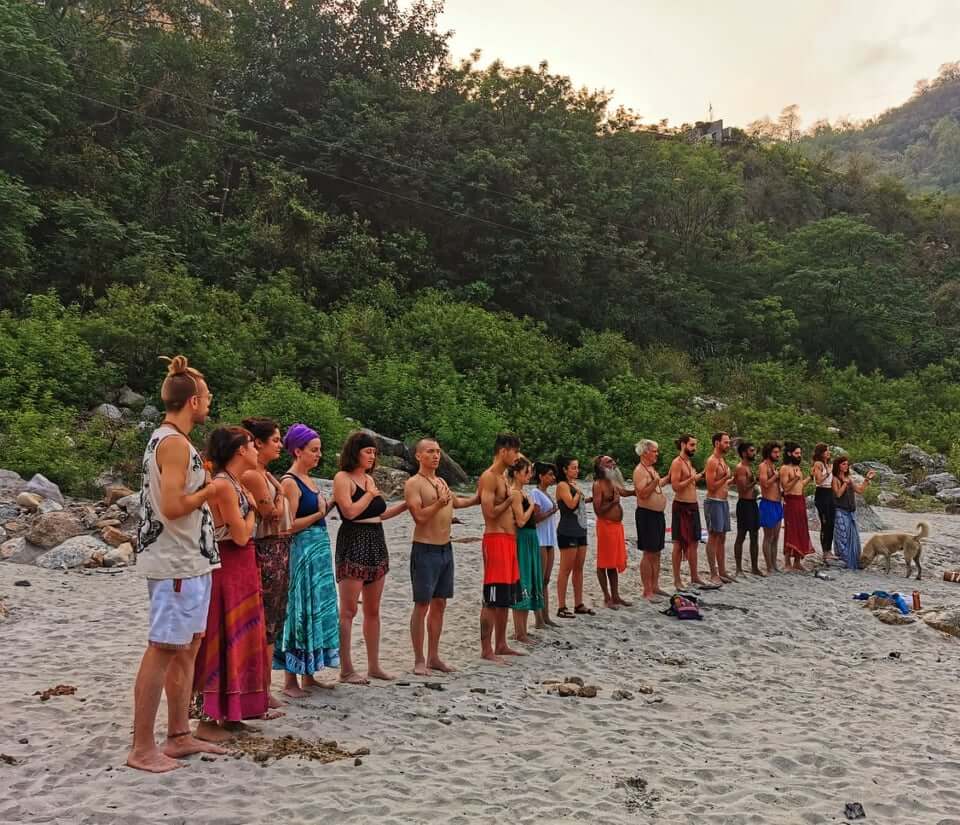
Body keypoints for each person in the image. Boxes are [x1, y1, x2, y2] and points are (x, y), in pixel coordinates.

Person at [127, 355, 225, 773]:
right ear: (192, 401)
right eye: (206, 397)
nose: (210, 403)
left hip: (192, 558)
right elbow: (171, 505)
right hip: (175, 562)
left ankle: (178, 734)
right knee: (164, 647)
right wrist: (212, 490)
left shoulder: (176, 442)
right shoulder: (171, 443)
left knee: (188, 647)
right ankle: (141, 747)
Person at [193, 426, 274, 741]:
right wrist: (254, 512)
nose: (256, 450)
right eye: (252, 445)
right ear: (240, 450)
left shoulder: (236, 483)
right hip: (229, 564)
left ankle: (233, 712)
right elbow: (240, 534)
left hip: (242, 565)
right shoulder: (225, 485)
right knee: (226, 635)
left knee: (242, 636)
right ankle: (210, 719)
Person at [333, 431, 408, 684]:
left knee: (373, 610)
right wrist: (369, 493)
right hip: (353, 541)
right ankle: (346, 669)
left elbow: (380, 514)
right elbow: (350, 511)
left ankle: (374, 665)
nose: (372, 456)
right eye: (368, 451)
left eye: (374, 452)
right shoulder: (343, 478)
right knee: (349, 609)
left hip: (376, 539)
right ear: (355, 452)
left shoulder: (369, 479)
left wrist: (405, 505)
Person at [404, 438, 480, 675]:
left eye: (437, 451)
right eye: (430, 452)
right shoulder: (414, 483)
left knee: (440, 604)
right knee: (422, 604)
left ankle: (434, 656)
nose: (436, 455)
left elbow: (457, 502)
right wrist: (438, 503)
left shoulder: (441, 481)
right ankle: (419, 658)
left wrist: (479, 497)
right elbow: (419, 516)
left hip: (446, 548)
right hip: (425, 549)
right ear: (419, 456)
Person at [277, 424, 340, 698]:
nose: (318, 455)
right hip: (302, 554)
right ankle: (290, 680)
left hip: (318, 553)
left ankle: (309, 675)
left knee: (315, 610)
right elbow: (288, 525)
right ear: (297, 450)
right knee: (299, 612)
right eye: (313, 450)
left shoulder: (310, 479)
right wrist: (318, 514)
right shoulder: (290, 482)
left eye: (319, 450)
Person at [241, 417, 293, 708]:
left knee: (274, 620)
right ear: (258, 443)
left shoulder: (266, 474)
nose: (279, 445)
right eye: (275, 440)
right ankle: (258, 688)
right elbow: (272, 513)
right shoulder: (254, 475)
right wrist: (283, 495)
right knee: (265, 620)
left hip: (279, 547)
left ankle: (264, 688)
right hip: (266, 549)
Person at [477, 433, 524, 663]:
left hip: (509, 540)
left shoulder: (504, 476)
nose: (517, 456)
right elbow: (489, 513)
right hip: (495, 539)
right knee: (492, 596)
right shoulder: (490, 477)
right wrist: (510, 500)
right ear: (503, 450)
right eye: (514, 451)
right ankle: (486, 649)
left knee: (506, 596)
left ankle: (501, 643)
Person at [592, 455, 635, 608]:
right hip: (605, 526)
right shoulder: (598, 485)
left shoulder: (613, 481)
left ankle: (616, 596)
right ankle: (607, 597)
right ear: (601, 466)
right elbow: (598, 510)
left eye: (613, 461)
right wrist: (613, 503)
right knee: (603, 562)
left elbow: (623, 492)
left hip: (617, 527)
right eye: (609, 462)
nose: (613, 463)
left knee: (613, 563)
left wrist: (636, 492)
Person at [508, 456, 543, 642]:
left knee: (528, 580)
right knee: (523, 580)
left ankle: (522, 630)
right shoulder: (515, 493)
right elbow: (521, 521)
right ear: (516, 473)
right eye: (526, 472)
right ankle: (519, 632)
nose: (529, 475)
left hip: (530, 538)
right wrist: (531, 508)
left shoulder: (522, 493)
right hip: (523, 539)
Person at [669, 435, 709, 591]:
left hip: (693, 505)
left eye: (695, 445)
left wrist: (699, 475)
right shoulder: (677, 463)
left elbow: (690, 482)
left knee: (694, 541)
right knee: (678, 543)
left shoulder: (688, 462)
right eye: (692, 445)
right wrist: (692, 478)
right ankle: (677, 580)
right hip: (681, 506)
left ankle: (694, 576)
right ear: (683, 444)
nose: (694, 448)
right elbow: (675, 486)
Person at [555, 455, 594, 617]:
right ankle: (562, 606)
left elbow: (578, 504)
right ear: (564, 469)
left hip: (580, 529)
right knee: (565, 569)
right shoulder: (563, 485)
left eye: (577, 467)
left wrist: (590, 499)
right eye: (573, 467)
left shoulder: (573, 485)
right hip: (567, 530)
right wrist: (578, 493)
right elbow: (570, 504)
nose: (577, 470)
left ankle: (579, 603)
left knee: (579, 569)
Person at [633, 439, 669, 600]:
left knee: (657, 551)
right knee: (648, 552)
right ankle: (647, 589)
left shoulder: (651, 469)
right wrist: (655, 482)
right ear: (645, 452)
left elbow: (656, 485)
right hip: (646, 514)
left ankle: (655, 586)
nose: (657, 454)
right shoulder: (640, 470)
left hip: (657, 514)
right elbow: (642, 493)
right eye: (655, 451)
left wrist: (666, 479)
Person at [832, 456, 876, 570]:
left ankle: (853, 560)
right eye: (843, 464)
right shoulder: (835, 479)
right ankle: (844, 559)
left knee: (853, 537)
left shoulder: (849, 478)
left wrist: (867, 479)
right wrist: (845, 484)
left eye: (847, 464)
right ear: (838, 466)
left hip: (850, 512)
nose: (846, 466)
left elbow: (860, 490)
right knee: (843, 537)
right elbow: (837, 494)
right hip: (840, 511)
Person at [530, 462, 559, 629]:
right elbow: (535, 518)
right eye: (549, 474)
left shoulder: (546, 493)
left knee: (546, 580)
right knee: (540, 579)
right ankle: (539, 619)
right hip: (540, 538)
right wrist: (551, 512)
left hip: (549, 538)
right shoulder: (535, 493)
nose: (552, 478)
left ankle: (546, 616)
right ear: (541, 476)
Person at [704, 432, 734, 584]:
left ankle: (722, 570)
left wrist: (729, 481)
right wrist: (725, 478)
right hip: (714, 501)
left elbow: (722, 483)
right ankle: (713, 572)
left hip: (723, 501)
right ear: (717, 443)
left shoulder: (722, 460)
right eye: (726, 442)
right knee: (713, 536)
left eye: (728, 442)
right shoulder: (712, 461)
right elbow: (710, 486)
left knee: (722, 537)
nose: (728, 445)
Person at [780, 442, 814, 571]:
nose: (799, 456)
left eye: (800, 453)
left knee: (801, 529)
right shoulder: (784, 468)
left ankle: (797, 561)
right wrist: (795, 479)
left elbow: (800, 485)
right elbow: (786, 488)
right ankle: (787, 562)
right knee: (791, 530)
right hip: (791, 501)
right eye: (796, 453)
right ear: (789, 454)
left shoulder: (797, 468)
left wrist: (810, 477)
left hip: (800, 500)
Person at [732, 442, 764, 576]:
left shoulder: (748, 467)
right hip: (744, 504)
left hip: (752, 503)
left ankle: (754, 567)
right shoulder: (741, 468)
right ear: (744, 453)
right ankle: (738, 568)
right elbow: (742, 488)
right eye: (751, 451)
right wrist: (755, 481)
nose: (754, 453)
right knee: (741, 535)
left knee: (755, 535)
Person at [758, 442, 783, 573]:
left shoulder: (774, 466)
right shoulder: (763, 466)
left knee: (776, 537)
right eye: (775, 452)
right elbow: (764, 484)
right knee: (768, 536)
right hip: (768, 503)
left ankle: (774, 564)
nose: (777, 455)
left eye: (778, 452)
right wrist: (775, 476)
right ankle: (768, 566)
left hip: (778, 504)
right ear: (769, 453)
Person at [812, 443, 836, 559]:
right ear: (821, 453)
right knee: (825, 522)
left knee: (831, 522)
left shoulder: (828, 464)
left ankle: (829, 549)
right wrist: (828, 472)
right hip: (822, 492)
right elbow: (818, 480)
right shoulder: (818, 464)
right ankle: (825, 550)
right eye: (826, 451)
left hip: (830, 492)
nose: (828, 453)